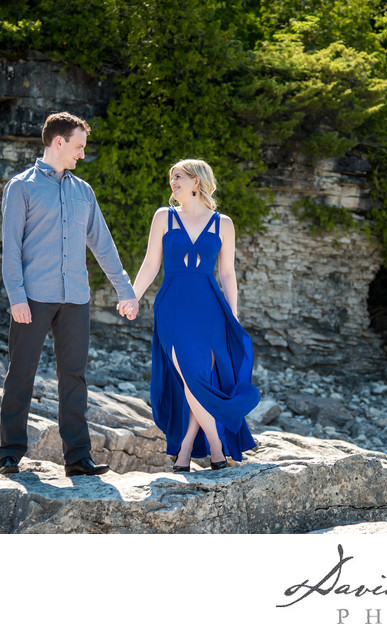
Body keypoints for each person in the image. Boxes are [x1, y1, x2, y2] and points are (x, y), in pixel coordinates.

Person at [0, 112, 139, 476]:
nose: (82, 154)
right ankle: (10, 454)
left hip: (76, 298)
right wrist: (16, 297)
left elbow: (103, 246)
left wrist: (126, 290)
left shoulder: (84, 191)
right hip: (33, 298)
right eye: (78, 146)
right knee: (21, 374)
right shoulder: (21, 187)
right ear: (58, 142)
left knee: (74, 377)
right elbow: (10, 248)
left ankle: (78, 458)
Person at [132, 159, 259, 472]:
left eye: (178, 178)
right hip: (172, 307)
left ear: (196, 182)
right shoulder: (164, 217)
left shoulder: (223, 223)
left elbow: (227, 274)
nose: (173, 183)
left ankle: (187, 447)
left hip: (210, 310)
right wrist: (131, 297)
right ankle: (216, 446)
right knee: (190, 375)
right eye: (172, 178)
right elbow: (150, 264)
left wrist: (233, 316)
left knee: (196, 380)